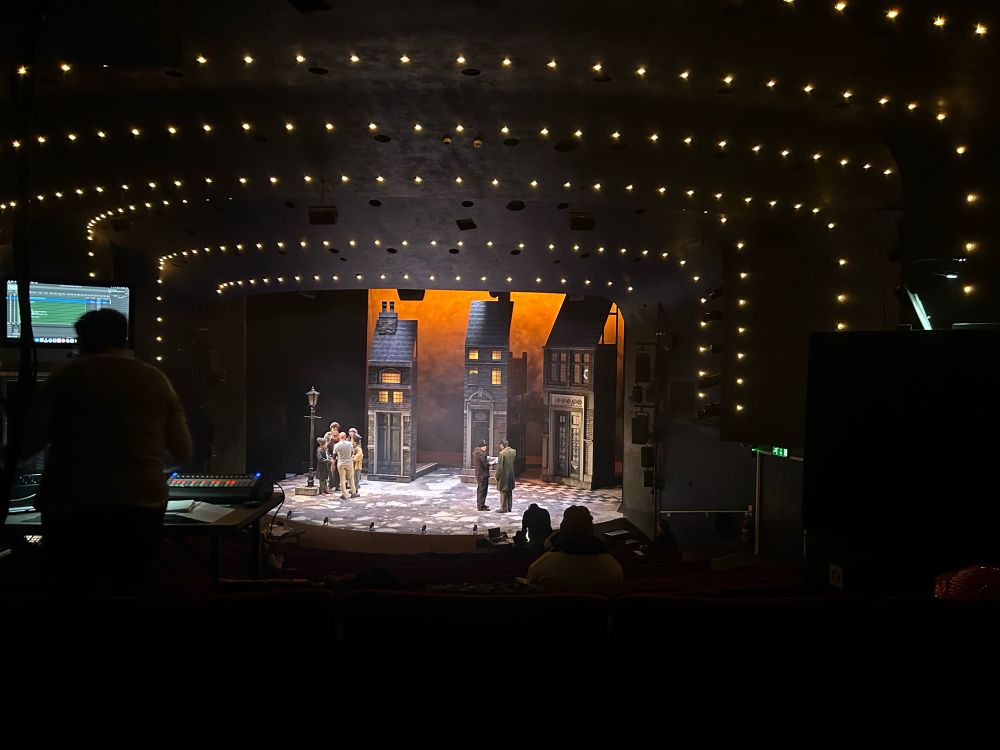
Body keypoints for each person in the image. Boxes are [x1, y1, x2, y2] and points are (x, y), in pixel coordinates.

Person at [22, 308, 192, 589]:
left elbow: (28, 444)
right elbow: (181, 452)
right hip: (142, 506)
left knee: (70, 590)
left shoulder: (63, 377)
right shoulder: (155, 378)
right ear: (123, 339)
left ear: (81, 340)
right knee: (131, 587)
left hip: (72, 508)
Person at [526, 505, 623, 593]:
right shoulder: (612, 568)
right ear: (591, 529)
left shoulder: (543, 565)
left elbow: (531, 581)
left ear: (562, 527)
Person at [333, 432, 358, 500]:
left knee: (342, 479)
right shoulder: (350, 444)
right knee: (351, 478)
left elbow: (334, 456)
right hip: (349, 462)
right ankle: (353, 492)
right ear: (345, 437)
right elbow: (352, 453)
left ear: (340, 437)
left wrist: (332, 464)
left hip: (341, 463)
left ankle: (344, 494)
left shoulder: (336, 445)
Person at [494, 439, 516, 513]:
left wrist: (497, 476)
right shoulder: (513, 451)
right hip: (511, 474)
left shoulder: (502, 453)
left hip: (504, 475)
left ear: (502, 445)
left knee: (503, 492)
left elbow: (500, 467)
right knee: (509, 491)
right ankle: (509, 507)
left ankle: (503, 508)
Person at [473, 439, 490, 511]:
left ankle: (481, 504)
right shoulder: (481, 453)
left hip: (480, 474)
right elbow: (485, 464)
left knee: (481, 490)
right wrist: (493, 462)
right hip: (482, 475)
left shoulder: (477, 452)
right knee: (482, 490)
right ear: (481, 446)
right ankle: (480, 506)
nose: (486, 447)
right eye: (485, 446)